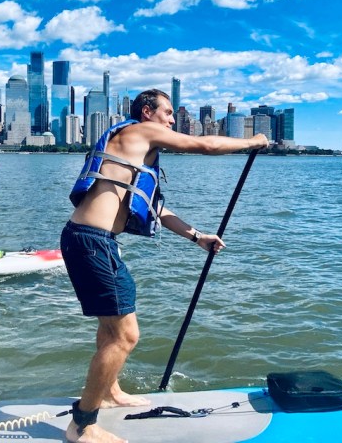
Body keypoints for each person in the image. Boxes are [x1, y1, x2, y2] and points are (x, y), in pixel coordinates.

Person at [60, 89, 269, 443]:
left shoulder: (135, 150)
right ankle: (82, 425)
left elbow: (155, 208)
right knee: (126, 335)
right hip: (91, 241)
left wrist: (197, 236)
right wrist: (253, 141)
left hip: (93, 241)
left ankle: (109, 391)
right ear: (147, 112)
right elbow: (204, 146)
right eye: (168, 112)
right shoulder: (140, 131)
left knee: (111, 329)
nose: (172, 120)